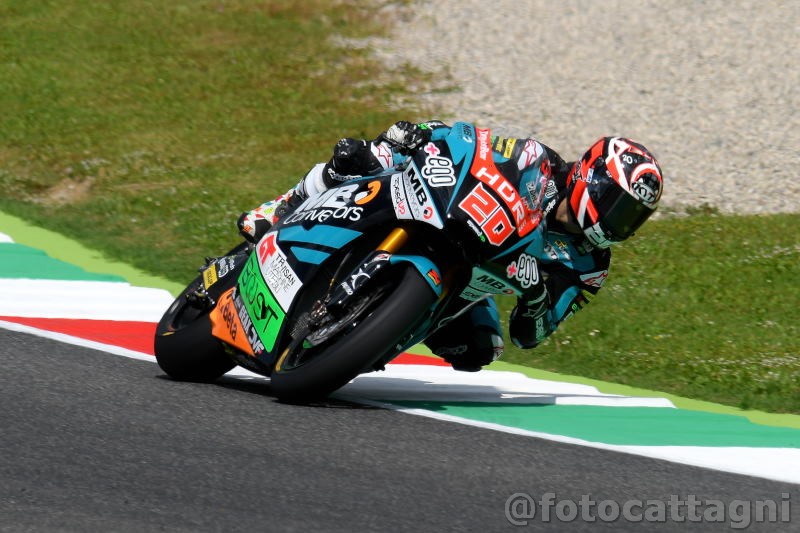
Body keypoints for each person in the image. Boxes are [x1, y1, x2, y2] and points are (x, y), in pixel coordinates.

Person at [237, 121, 664, 371]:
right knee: (360, 155)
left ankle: (377, 329)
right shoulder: (536, 160)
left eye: (633, 217)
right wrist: (422, 133)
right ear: (592, 179)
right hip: (446, 214)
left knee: (481, 348)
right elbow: (472, 144)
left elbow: (531, 335)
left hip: (468, 284)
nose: (620, 222)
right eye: (619, 206)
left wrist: (536, 297)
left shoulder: (590, 265)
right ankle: (285, 206)